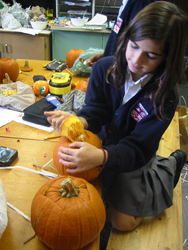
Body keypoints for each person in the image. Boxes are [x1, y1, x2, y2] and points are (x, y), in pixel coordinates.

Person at [45, 1, 188, 248]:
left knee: (122, 222)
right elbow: (96, 110)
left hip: (132, 155)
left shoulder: (166, 97)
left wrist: (101, 156)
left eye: (151, 55)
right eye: (133, 46)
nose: (136, 59)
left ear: (167, 59)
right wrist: (80, 119)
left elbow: (137, 149)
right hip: (100, 147)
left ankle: (169, 168)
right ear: (127, 38)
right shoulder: (104, 68)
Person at [87, 0, 156, 67]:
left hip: (117, 71)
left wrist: (108, 62)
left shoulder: (139, 3)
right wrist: (107, 54)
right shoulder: (128, 2)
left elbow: (137, 48)